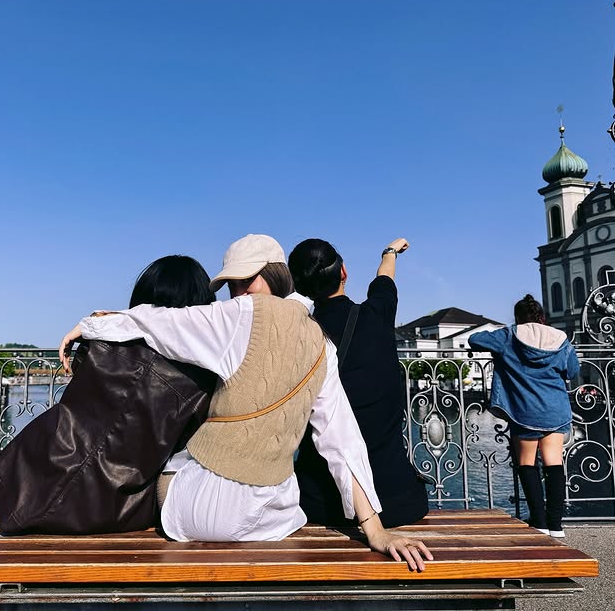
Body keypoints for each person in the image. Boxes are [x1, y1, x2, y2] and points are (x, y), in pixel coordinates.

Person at [59, 234, 433, 570]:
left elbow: (163, 321)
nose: (238, 292)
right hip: (274, 517)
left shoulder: (239, 314)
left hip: (201, 512)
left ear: (274, 275)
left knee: (173, 463)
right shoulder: (322, 343)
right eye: (232, 285)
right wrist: (375, 530)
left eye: (246, 280)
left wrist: (93, 324)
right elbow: (341, 439)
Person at [0, 255, 217, 534]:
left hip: (38, 480)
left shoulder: (100, 342)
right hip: (119, 508)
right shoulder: (201, 379)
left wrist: (100, 321)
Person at [288, 238, 429, 528]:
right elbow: (384, 278)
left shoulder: (298, 336)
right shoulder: (377, 313)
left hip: (318, 504)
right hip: (396, 501)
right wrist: (390, 252)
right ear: (343, 272)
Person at [468, 294, 579, 538]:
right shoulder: (560, 339)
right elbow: (572, 370)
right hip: (555, 410)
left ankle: (539, 521)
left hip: (524, 411)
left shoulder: (509, 336)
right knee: (554, 464)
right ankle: (556, 525)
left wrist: (506, 336)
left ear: (518, 317)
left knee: (527, 464)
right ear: (542, 317)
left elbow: (475, 339)